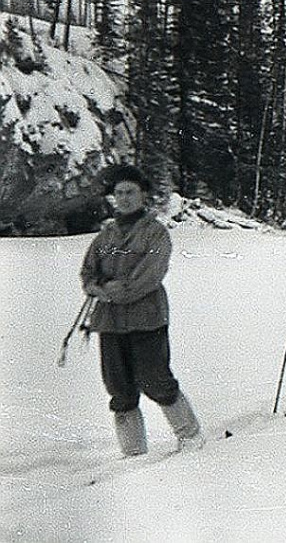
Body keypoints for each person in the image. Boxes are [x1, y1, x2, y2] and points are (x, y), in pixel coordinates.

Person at [80, 165, 203, 457]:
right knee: (118, 387)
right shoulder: (106, 234)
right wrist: (94, 286)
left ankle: (190, 435)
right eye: (119, 193)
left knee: (155, 379)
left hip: (146, 317)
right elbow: (88, 271)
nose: (124, 198)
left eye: (130, 192)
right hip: (109, 321)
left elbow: (149, 275)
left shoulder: (155, 232)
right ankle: (133, 451)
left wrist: (109, 290)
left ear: (143, 194)